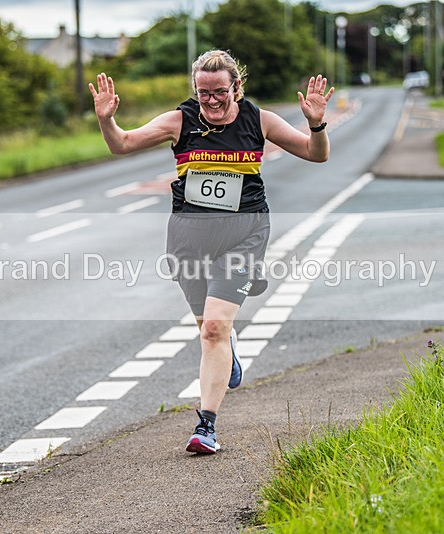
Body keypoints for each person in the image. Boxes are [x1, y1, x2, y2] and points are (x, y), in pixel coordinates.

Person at [89, 49, 334, 454]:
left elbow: (316, 153)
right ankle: (227, 349)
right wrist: (106, 120)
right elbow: (123, 145)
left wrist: (317, 124)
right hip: (190, 238)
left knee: (213, 329)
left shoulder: (259, 120)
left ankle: (207, 426)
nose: (212, 101)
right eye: (204, 93)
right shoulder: (180, 121)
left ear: (236, 87)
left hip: (245, 232)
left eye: (220, 91)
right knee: (207, 324)